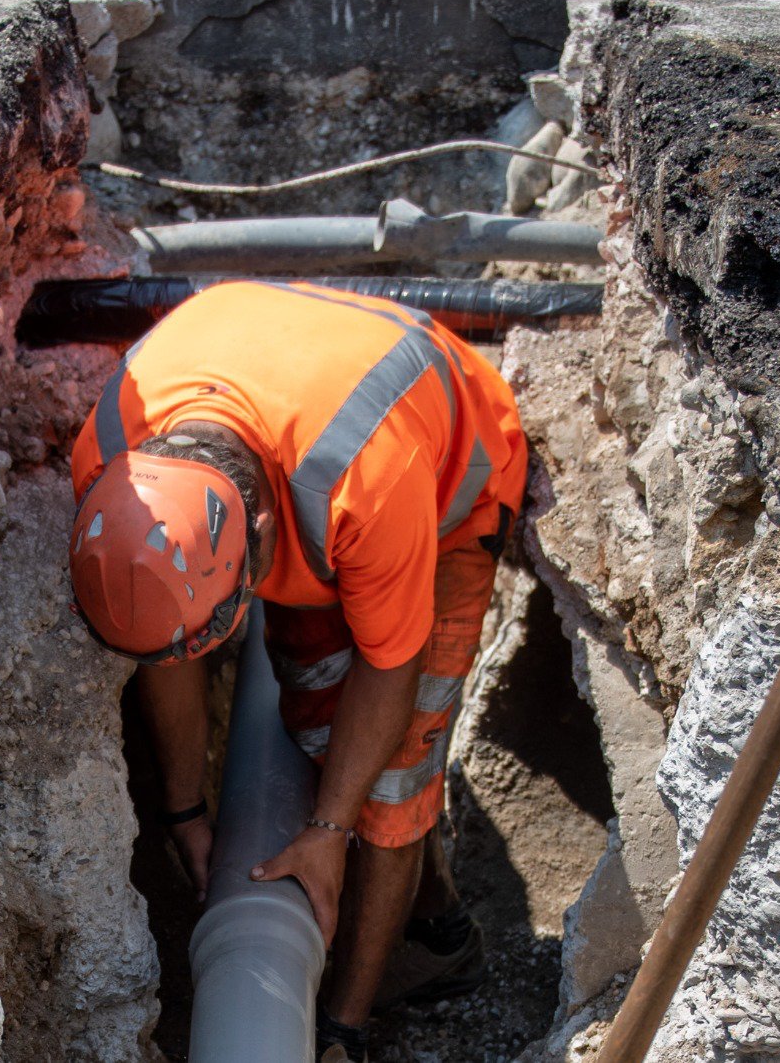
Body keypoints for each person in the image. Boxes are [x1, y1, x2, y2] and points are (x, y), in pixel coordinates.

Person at [66, 280, 526, 1062]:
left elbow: (390, 668)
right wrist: (182, 811)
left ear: (264, 532)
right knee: (316, 728)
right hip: (297, 397)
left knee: (388, 781)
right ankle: (429, 911)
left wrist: (327, 829)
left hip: (444, 490)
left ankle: (354, 1016)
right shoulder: (118, 477)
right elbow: (166, 647)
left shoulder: (363, 487)